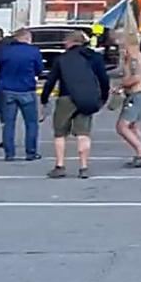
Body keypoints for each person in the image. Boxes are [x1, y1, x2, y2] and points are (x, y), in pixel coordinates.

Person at [40, 30, 110, 179]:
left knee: (60, 133)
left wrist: (44, 99)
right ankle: (83, 167)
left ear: (70, 42)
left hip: (66, 97)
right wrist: (103, 97)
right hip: (87, 98)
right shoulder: (95, 57)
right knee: (83, 134)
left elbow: (51, 81)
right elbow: (104, 79)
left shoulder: (61, 59)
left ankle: (60, 165)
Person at [0, 27, 43, 162]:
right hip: (26, 89)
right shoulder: (34, 51)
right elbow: (39, 70)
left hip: (7, 90)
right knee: (31, 123)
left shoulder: (5, 51)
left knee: (9, 123)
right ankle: (31, 152)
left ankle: (9, 153)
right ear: (28, 38)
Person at [115, 34, 141, 167]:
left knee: (122, 126)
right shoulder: (133, 57)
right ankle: (140, 154)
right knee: (134, 126)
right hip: (139, 94)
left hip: (136, 95)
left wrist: (121, 85)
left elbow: (136, 77)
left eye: (122, 45)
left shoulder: (135, 58)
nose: (120, 48)